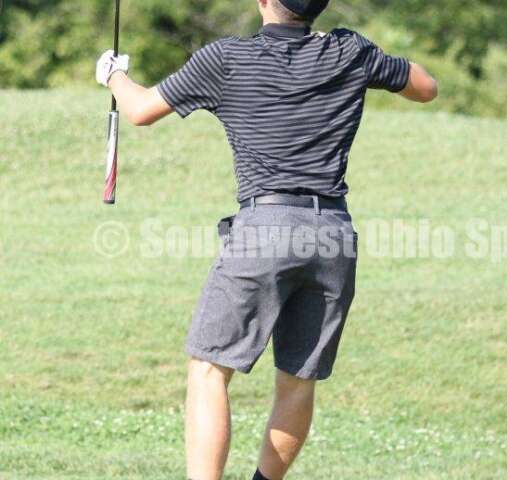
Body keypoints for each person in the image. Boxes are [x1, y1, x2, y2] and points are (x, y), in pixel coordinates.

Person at [94, 1, 438, 479]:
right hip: (333, 236)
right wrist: (363, 59)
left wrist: (113, 74)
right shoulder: (349, 51)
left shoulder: (226, 59)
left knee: (209, 370)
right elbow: (426, 87)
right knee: (297, 383)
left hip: (265, 228)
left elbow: (140, 110)